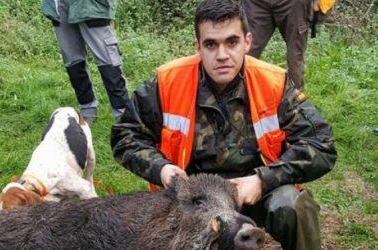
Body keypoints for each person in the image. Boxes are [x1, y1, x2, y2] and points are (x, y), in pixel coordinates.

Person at [111, 0, 337, 249]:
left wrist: (263, 180)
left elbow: (321, 143)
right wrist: (162, 169)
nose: (222, 55)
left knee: (292, 205)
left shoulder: (272, 83)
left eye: (232, 42)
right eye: (211, 44)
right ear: (198, 46)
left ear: (247, 42)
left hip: (253, 191)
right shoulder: (168, 82)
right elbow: (125, 135)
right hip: (192, 198)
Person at [42, 0, 129, 124]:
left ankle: (123, 116)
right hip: (59, 5)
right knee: (73, 62)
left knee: (108, 61)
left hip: (91, 5)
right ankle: (87, 111)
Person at [242, 0, 313, 91]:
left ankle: (295, 101)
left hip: (293, 3)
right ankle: (236, 99)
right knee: (245, 52)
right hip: (256, 3)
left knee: (295, 58)